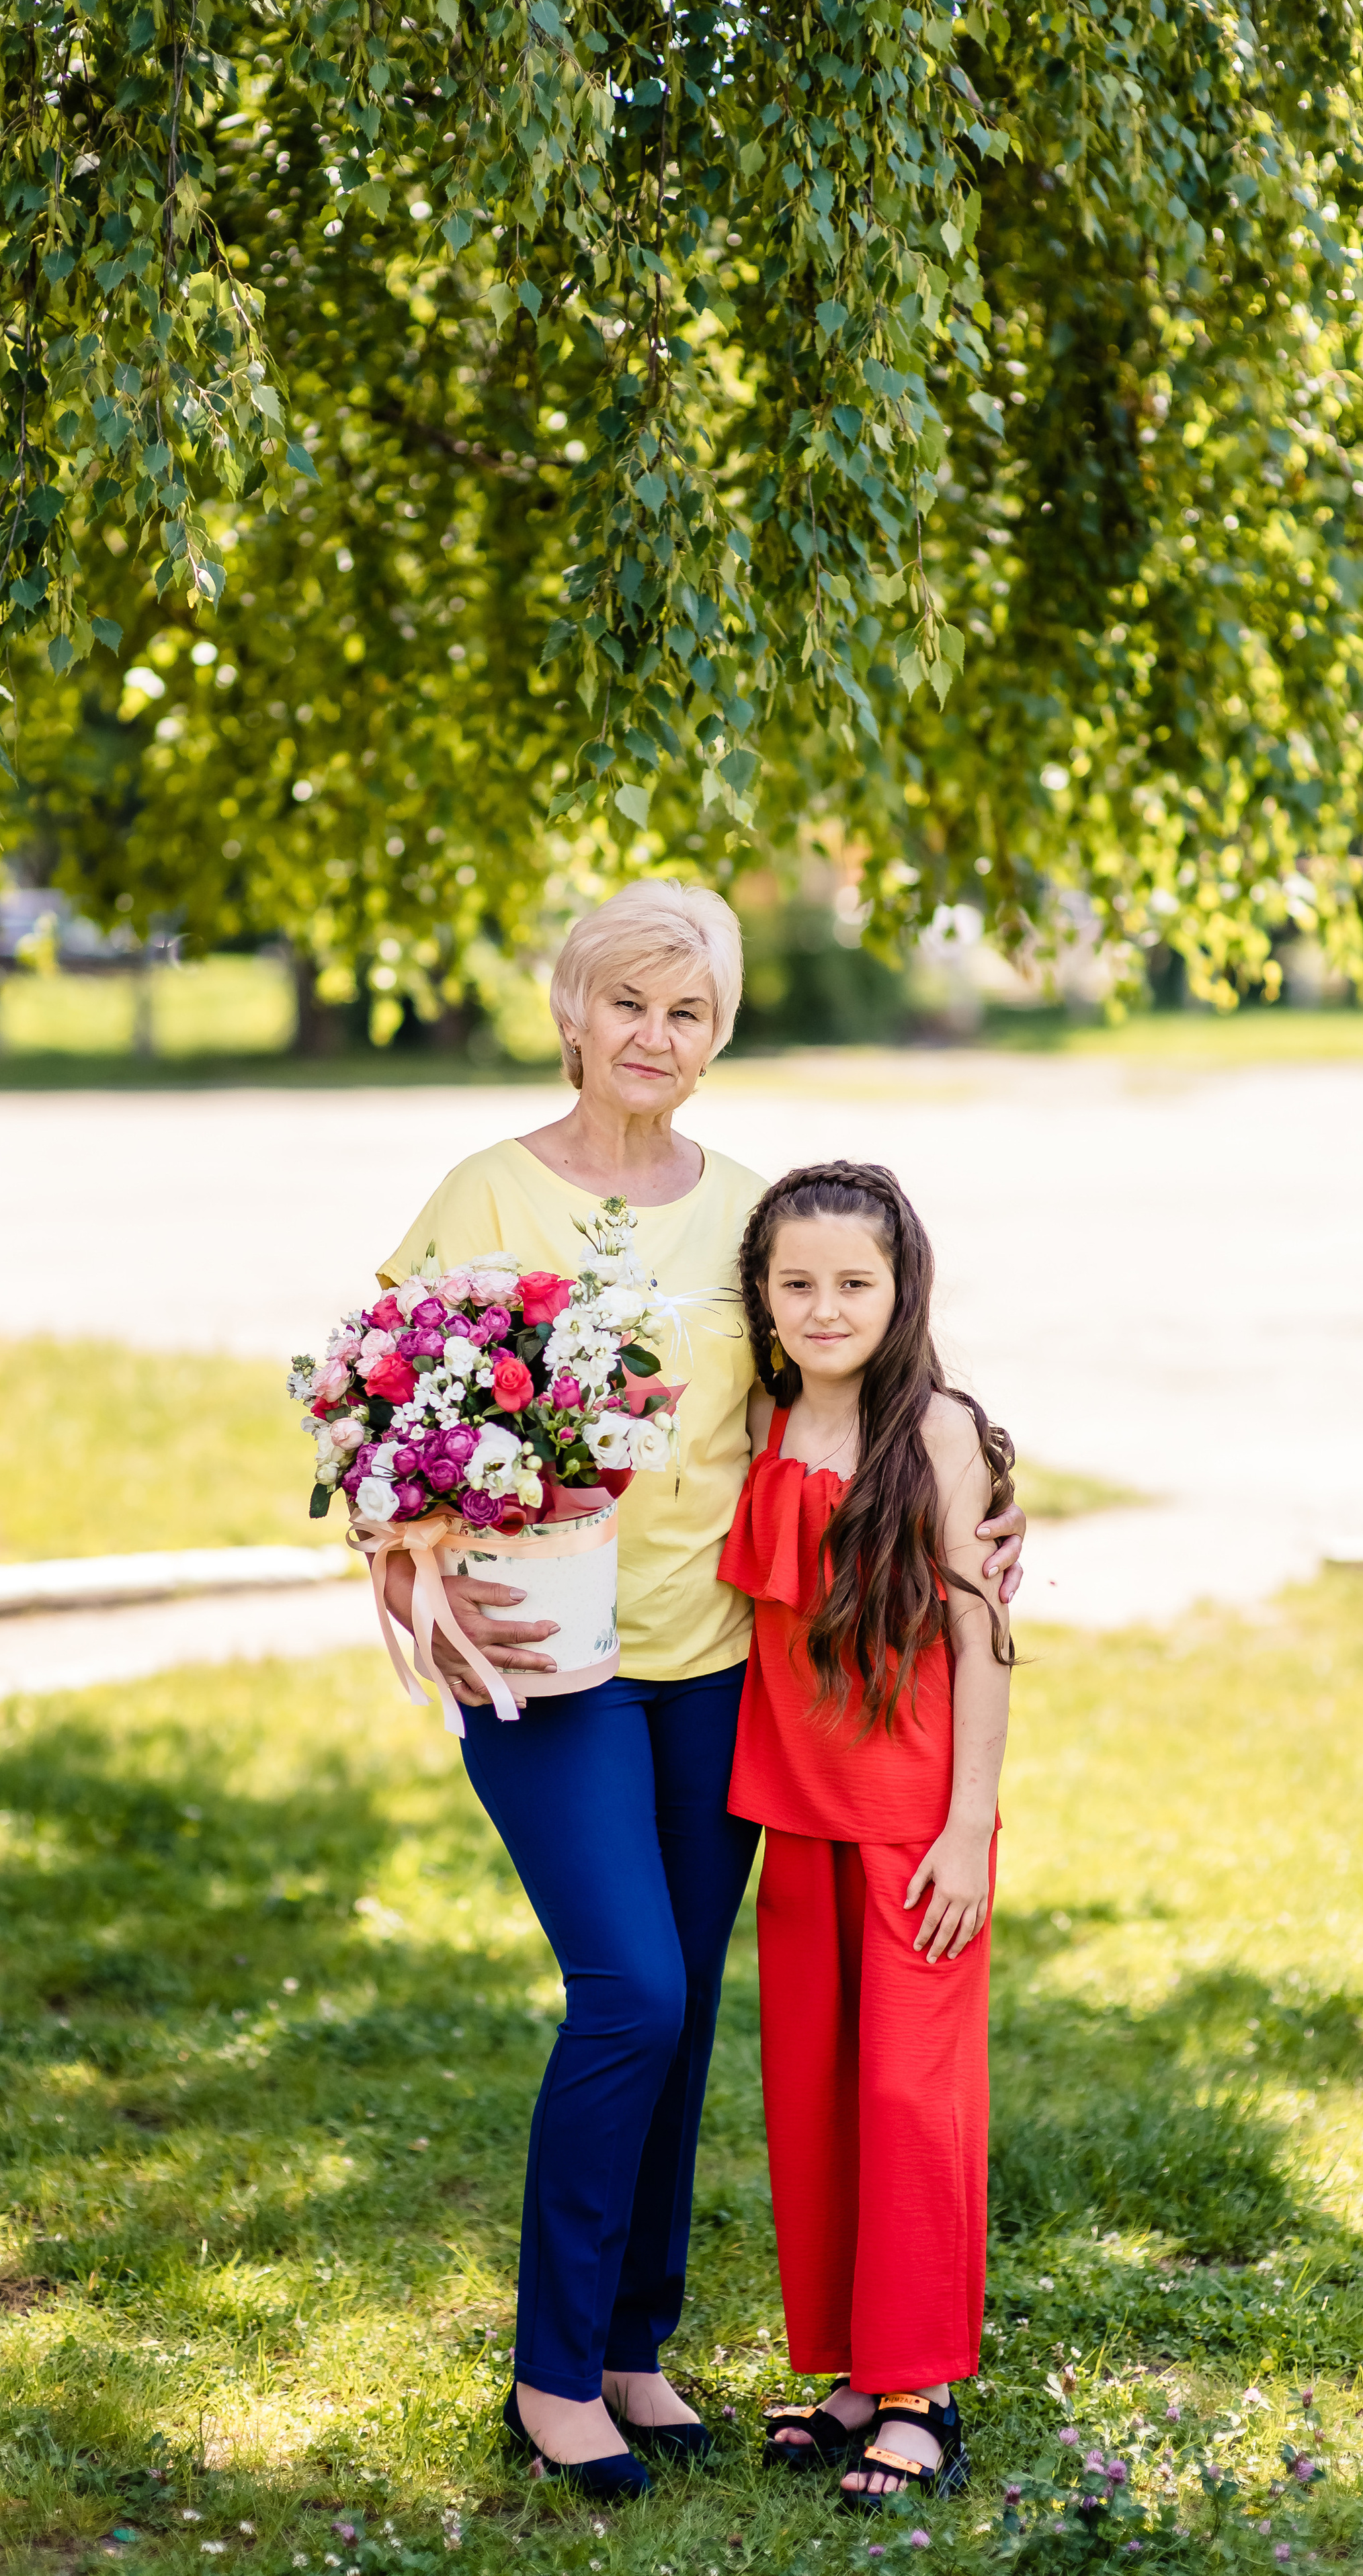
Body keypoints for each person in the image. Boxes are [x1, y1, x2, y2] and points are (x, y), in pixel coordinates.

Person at [376, 885, 1028, 2501]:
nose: (652, 1039)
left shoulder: (744, 1214)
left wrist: (984, 1483)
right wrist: (407, 1560)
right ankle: (550, 2373)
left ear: (716, 1036)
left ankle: (631, 2345)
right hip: (549, 1668)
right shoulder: (482, 1193)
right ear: (571, 1012)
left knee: (676, 2009)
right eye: (626, 1005)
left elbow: (849, 1375)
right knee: (634, 1995)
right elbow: (377, 1410)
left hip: (714, 1677)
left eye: (688, 1013)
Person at [718, 1161, 1012, 2511]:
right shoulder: (763, 1420)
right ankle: (851, 2369)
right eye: (796, 1283)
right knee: (819, 2097)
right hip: (800, 1822)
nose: (824, 1305)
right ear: (762, 1297)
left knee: (910, 2102)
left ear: (902, 1291)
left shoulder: (936, 1432)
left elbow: (982, 1640)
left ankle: (924, 2392)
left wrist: (966, 1830)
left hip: (913, 1830)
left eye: (853, 1281)